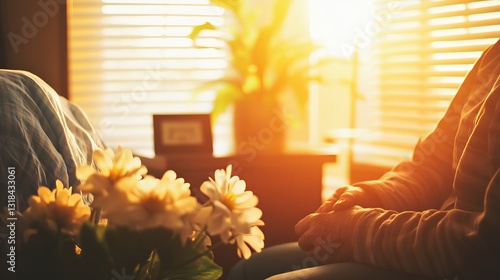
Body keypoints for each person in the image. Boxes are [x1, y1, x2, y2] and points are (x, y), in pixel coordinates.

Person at [227, 39, 500, 280]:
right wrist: (371, 195)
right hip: (425, 244)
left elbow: (482, 246)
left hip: (453, 263)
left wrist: (356, 230)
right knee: (251, 269)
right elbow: (431, 166)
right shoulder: (492, 58)